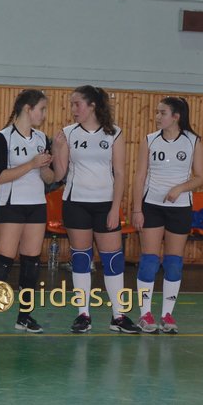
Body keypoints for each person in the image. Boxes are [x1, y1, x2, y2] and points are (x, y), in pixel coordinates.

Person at [51, 86, 133, 333]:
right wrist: (56, 149)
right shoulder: (68, 133)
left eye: (77, 104)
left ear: (92, 105)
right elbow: (60, 174)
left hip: (105, 205)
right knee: (81, 258)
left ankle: (119, 316)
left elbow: (120, 174)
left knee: (113, 260)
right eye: (71, 104)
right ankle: (83, 314)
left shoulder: (114, 133)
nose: (73, 109)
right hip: (76, 203)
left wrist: (115, 209)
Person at [0, 89, 53, 334]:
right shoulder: (3, 137)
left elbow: (49, 178)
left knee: (32, 262)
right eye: (41, 109)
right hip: (11, 205)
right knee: (3, 261)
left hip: (36, 205)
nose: (43, 114)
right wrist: (32, 164)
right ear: (28, 109)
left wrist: (47, 167)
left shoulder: (42, 138)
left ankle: (24, 316)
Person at [132, 96, 203, 334]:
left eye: (162, 113)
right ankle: (145, 314)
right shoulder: (150, 140)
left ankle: (167, 315)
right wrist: (137, 209)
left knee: (173, 263)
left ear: (176, 116)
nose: (157, 116)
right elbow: (139, 177)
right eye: (157, 112)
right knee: (149, 261)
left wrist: (180, 188)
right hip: (152, 206)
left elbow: (200, 177)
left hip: (180, 208)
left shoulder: (193, 141)